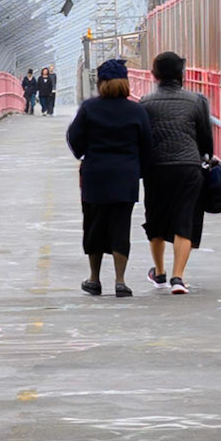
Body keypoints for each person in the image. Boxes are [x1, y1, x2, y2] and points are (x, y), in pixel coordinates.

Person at [65, 58, 153, 298]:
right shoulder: (137, 111)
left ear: (101, 83)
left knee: (94, 225)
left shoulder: (89, 108)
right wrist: (138, 171)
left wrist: (84, 154)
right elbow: (147, 145)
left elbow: (74, 139)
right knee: (120, 227)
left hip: (95, 175)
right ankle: (120, 281)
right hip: (125, 176)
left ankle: (94, 279)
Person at [140, 50, 214, 296]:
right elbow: (205, 138)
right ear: (181, 73)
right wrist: (204, 157)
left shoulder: (145, 102)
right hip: (187, 166)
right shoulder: (197, 101)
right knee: (185, 219)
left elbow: (142, 138)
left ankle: (159, 273)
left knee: (155, 219)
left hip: (156, 167)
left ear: (155, 75)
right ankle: (178, 278)